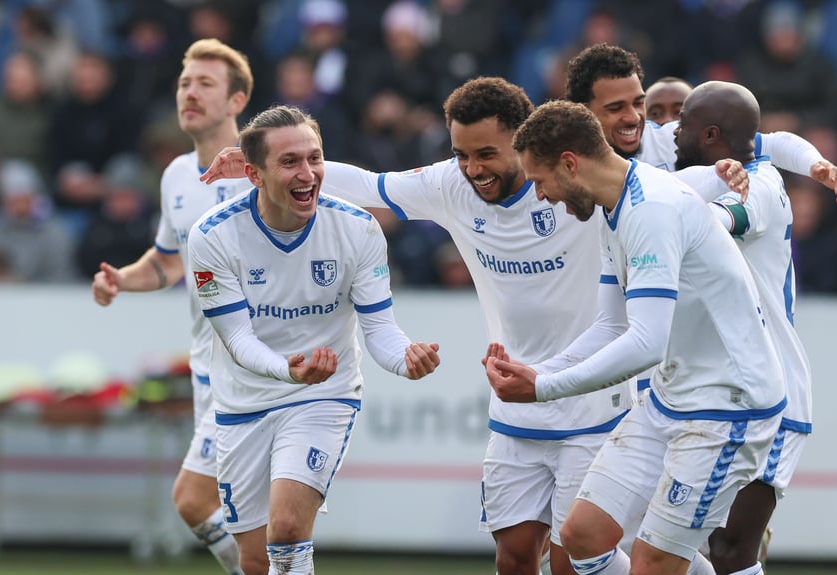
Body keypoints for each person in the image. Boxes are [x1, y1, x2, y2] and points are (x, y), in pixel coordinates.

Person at [201, 77, 630, 575]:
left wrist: (737, 177)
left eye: (486, 153)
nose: (473, 169)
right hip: (515, 403)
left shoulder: (574, 176)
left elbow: (660, 184)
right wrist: (265, 166)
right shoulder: (452, 183)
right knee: (513, 559)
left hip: (591, 398)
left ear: (523, 139)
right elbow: (371, 185)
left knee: (574, 561)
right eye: (461, 153)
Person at [487, 100, 786, 575]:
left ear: (570, 163)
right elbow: (612, 325)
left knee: (654, 563)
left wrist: (542, 390)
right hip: (673, 399)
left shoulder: (651, 209)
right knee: (581, 536)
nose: (540, 197)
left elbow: (647, 342)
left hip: (729, 405)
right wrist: (539, 371)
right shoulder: (613, 208)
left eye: (540, 181)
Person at [188, 104, 441, 575]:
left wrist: (406, 358)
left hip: (323, 394)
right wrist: (288, 368)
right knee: (255, 561)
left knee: (285, 526)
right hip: (244, 402)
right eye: (289, 162)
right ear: (254, 174)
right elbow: (238, 340)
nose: (308, 174)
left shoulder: (357, 228)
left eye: (315, 158)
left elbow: (380, 330)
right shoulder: (212, 236)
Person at [90, 38, 256, 575]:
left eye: (205, 83)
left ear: (236, 100)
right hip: (209, 372)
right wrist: (122, 279)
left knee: (193, 499)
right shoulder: (177, 176)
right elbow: (167, 261)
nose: (190, 92)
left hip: (261, 369)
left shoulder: (265, 168)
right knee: (252, 518)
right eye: (185, 82)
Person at [672, 81, 814, 575]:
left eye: (683, 121)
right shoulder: (703, 172)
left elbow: (713, 222)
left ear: (710, 134)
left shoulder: (759, 186)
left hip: (768, 394)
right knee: (671, 536)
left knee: (731, 550)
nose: (672, 130)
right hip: (715, 387)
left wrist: (642, 214)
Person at [564, 43, 837, 203]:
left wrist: (815, 165)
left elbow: (773, 143)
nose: (633, 117)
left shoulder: (669, 141)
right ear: (583, 111)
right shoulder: (555, 176)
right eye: (616, 108)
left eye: (639, 103)